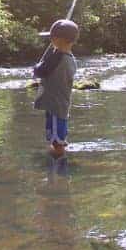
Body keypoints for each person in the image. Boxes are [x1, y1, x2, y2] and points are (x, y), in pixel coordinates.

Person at [32, 19, 79, 156]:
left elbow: (39, 71)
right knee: (59, 137)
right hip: (61, 106)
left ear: (59, 40)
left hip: (54, 107)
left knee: (56, 141)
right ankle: (60, 162)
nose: (50, 40)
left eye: (52, 38)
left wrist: (37, 65)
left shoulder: (57, 58)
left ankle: (58, 167)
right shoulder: (70, 58)